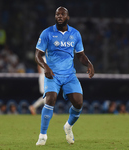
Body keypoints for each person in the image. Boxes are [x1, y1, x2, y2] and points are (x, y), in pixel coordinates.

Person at [35, 7, 94, 146]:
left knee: (79, 103)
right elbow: (37, 55)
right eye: (57, 14)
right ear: (55, 17)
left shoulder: (75, 34)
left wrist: (89, 64)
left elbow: (80, 55)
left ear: (67, 17)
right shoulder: (47, 33)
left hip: (69, 75)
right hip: (53, 74)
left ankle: (68, 126)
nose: (59, 16)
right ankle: (42, 135)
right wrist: (46, 67)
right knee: (50, 99)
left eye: (62, 14)